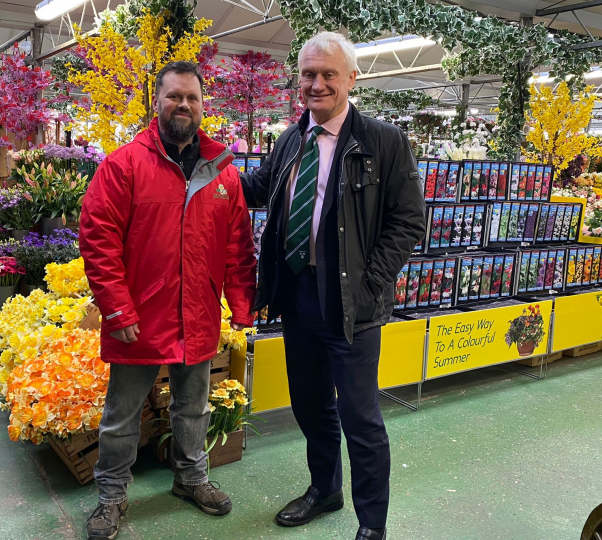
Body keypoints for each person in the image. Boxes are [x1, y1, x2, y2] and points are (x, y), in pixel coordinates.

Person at [240, 32, 426, 540]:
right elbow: (258, 188)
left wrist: (369, 285)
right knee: (310, 403)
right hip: (298, 296)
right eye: (308, 74)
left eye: (327, 74)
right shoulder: (291, 137)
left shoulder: (383, 142)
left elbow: (409, 222)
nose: (316, 84)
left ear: (350, 79)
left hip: (351, 304)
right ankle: (325, 489)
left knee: (360, 416)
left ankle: (372, 524)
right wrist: (204, 162)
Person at [79, 61, 257, 540]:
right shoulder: (124, 166)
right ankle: (111, 497)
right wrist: (117, 309)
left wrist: (241, 307)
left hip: (197, 315)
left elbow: (239, 246)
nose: (184, 104)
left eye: (192, 98)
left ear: (203, 106)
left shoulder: (223, 176)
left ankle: (191, 478)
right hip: (138, 318)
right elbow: (98, 240)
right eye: (174, 96)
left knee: (192, 406)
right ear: (156, 103)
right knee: (122, 416)